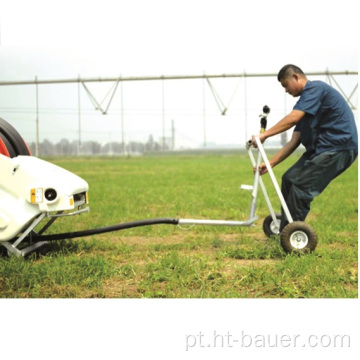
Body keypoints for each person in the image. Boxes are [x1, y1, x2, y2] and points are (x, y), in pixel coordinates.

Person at [251, 64, 358, 231]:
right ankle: (287, 229)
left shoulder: (315, 89)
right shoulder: (306, 105)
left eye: (285, 85)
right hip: (321, 150)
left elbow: (292, 119)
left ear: (295, 77)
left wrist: (265, 135)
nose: (285, 90)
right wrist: (271, 163)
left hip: (338, 148)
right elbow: (293, 142)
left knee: (301, 186)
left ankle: (291, 234)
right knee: (289, 178)